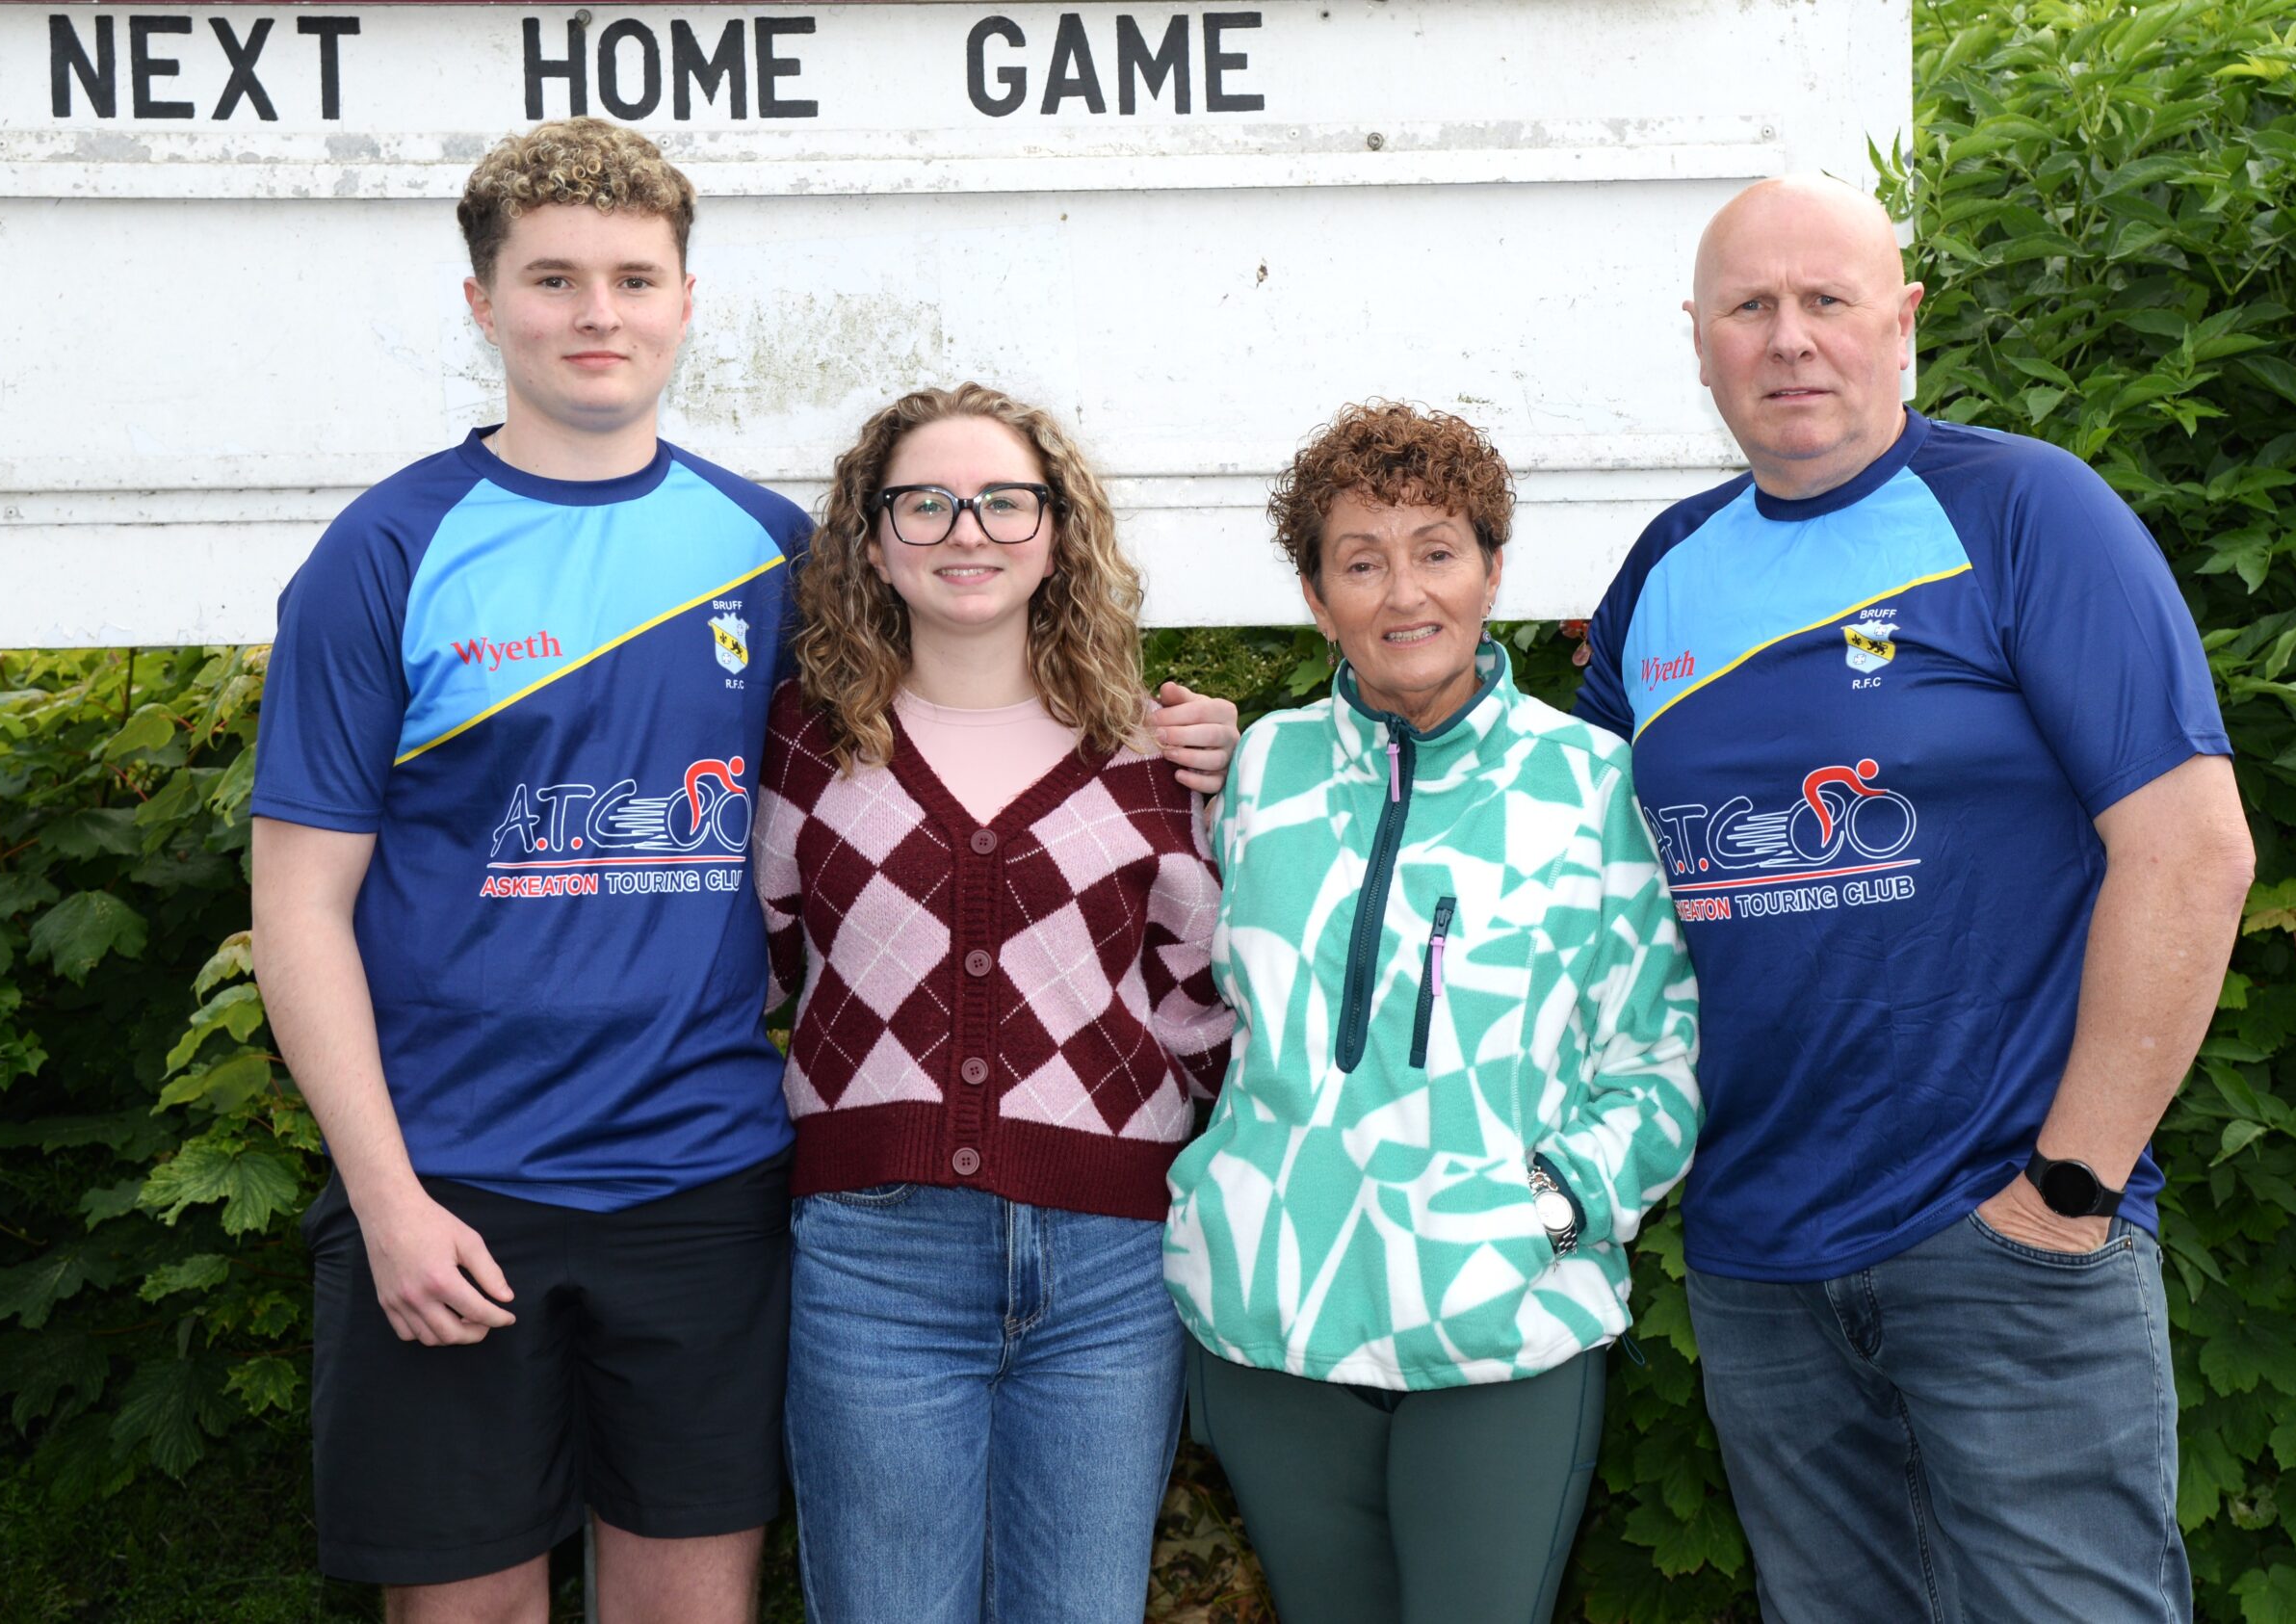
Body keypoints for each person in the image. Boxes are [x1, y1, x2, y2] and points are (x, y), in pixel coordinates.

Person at [248, 118, 1240, 1621]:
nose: (597, 314)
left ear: (685, 301)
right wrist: (383, 1196)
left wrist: (1176, 736)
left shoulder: (771, 556)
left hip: (705, 1180)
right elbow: (298, 906)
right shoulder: (385, 552)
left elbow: (950, 714)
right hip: (453, 1177)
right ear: (482, 304)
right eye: (554, 279)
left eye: (633, 278)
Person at [1572, 174, 2255, 1622]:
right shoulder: (1664, 573)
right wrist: (1256, 756)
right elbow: (1557, 858)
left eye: (1827, 299)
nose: (1789, 338)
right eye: (1750, 306)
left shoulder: (2026, 512)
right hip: (1758, 1255)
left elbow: (2193, 852)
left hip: (2006, 1233)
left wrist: (2068, 1189)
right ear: (1697, 340)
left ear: (1903, 322)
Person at [1163, 402, 1702, 1624]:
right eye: (1360, 563)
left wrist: (1553, 1209)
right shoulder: (1257, 772)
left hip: (1501, 1323)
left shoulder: (1592, 784)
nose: (1404, 593)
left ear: (1492, 572)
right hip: (1271, 1326)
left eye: (1437, 551)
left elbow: (1661, 1057)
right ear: (1317, 599)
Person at [754, 382, 1237, 1624]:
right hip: (876, 1260)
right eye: (924, 503)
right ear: (871, 544)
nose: (966, 531)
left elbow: (1204, 1005)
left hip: (1111, 1265)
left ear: (1057, 535)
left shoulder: (1156, 755)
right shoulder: (805, 746)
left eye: (1004, 502)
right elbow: (751, 972)